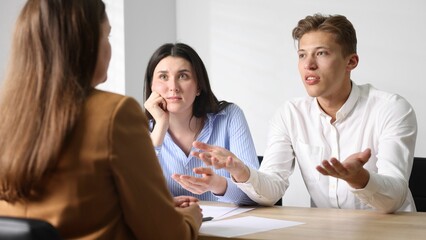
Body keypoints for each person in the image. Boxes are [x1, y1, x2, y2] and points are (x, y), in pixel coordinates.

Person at [0, 0, 202, 239]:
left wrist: (160, 204)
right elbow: (167, 236)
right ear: (84, 44)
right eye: (106, 36)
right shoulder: (116, 114)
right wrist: (191, 217)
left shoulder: (8, 116)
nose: (109, 48)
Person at [192, 13, 418, 213]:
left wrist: (360, 179)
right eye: (302, 55)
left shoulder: (391, 108)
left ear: (351, 61)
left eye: (321, 53)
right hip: (327, 232)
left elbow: (394, 198)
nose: (308, 65)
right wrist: (241, 171)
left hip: (394, 231)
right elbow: (272, 190)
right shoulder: (290, 114)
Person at [143, 43, 259, 205]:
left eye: (183, 76)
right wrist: (160, 126)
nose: (173, 87)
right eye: (163, 77)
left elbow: (255, 194)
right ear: (151, 86)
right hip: (170, 226)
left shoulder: (229, 116)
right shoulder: (140, 129)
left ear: (198, 86)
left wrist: (218, 184)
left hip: (228, 228)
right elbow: (134, 193)